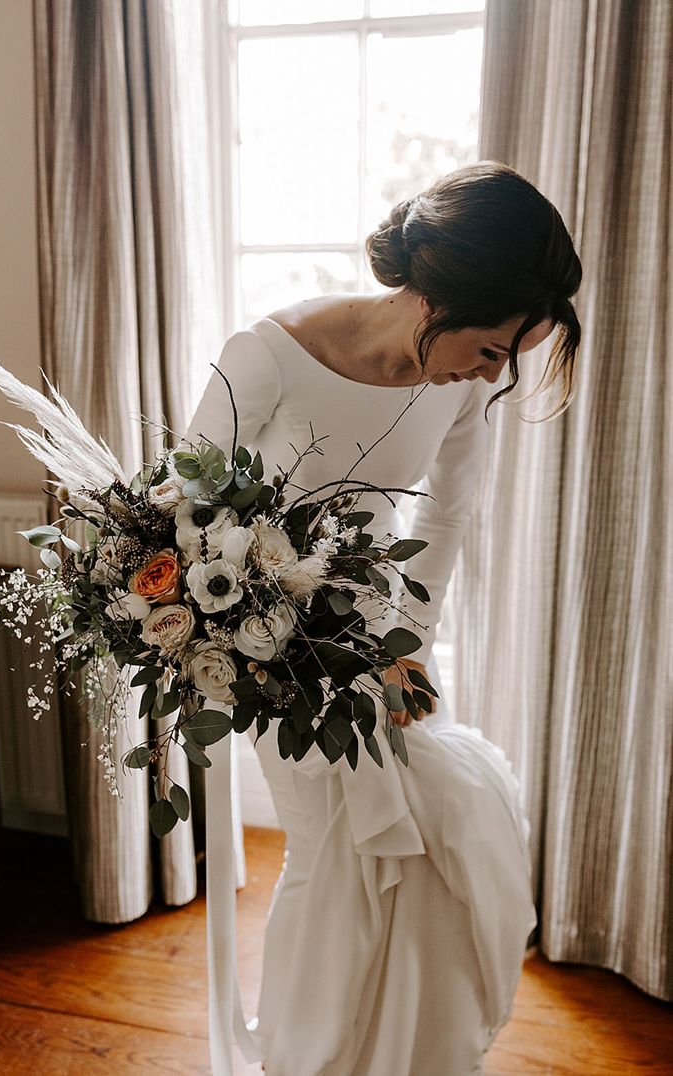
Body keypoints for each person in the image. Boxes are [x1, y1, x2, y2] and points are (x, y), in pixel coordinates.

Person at [183, 161, 582, 1076]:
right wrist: (252, 632)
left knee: (428, 844)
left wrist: (412, 644)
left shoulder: (466, 385)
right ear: (434, 298)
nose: (490, 374)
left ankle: (393, 1053)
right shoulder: (268, 352)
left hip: (384, 640)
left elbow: (444, 514)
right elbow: (188, 510)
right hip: (263, 645)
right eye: (487, 350)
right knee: (331, 857)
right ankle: (308, 1058)